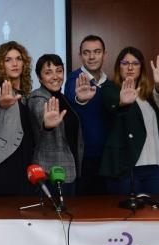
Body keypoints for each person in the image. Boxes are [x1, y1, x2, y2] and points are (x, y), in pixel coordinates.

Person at [98, 47, 159, 195]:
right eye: (125, 63)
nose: (130, 67)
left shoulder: (148, 95)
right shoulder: (110, 89)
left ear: (141, 68)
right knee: (126, 217)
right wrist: (122, 102)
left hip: (155, 167)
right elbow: (112, 103)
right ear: (118, 67)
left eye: (135, 63)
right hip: (126, 168)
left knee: (156, 216)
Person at [64, 35, 113, 195]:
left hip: (107, 157)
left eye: (97, 52)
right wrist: (81, 99)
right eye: (86, 53)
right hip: (83, 158)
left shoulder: (110, 83)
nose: (92, 57)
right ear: (80, 56)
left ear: (105, 54)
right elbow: (73, 97)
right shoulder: (74, 79)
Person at [0, 41, 35, 195]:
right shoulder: (0, 87)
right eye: (8, 60)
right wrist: (2, 103)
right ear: (1, 65)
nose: (14, 63)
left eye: (18, 59)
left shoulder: (25, 92)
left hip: (25, 156)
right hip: (6, 159)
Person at [29, 54, 82, 195]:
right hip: (50, 173)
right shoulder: (38, 98)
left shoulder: (62, 97)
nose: (55, 76)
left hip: (69, 171)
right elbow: (41, 115)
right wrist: (47, 125)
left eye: (59, 71)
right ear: (39, 78)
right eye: (48, 72)